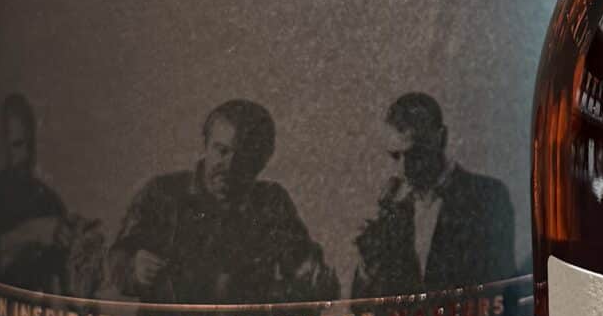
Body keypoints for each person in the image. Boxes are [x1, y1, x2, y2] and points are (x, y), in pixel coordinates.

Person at [107, 100, 337, 305]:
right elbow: (114, 262)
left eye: (244, 156)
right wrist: (134, 269)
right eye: (222, 151)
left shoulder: (272, 204)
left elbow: (306, 269)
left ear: (263, 160)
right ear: (206, 146)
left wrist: (313, 279)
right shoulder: (162, 194)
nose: (229, 166)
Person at [351, 93, 516, 297]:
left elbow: (502, 293)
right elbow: (365, 313)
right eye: (395, 156)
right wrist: (368, 264)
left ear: (442, 138)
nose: (403, 170)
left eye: (415, 155)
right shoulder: (392, 212)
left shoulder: (487, 198)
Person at [0, 94, 79, 293]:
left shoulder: (49, 200)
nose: (27, 155)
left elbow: (65, 282)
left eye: (30, 144)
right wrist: (34, 232)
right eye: (17, 145)